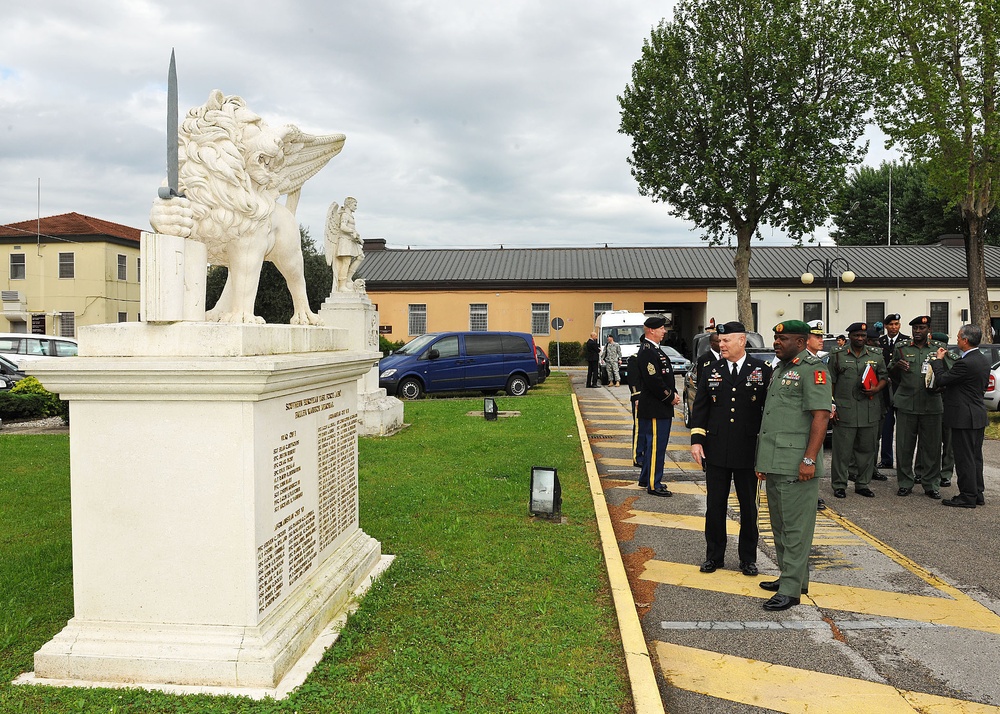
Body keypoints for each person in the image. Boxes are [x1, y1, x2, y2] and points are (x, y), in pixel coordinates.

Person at [755, 320, 832, 611]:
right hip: (775, 460)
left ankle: (791, 591)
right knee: (780, 525)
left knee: (796, 528)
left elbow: (821, 416)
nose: (776, 342)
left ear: (800, 342)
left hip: (796, 462)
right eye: (776, 337)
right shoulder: (781, 369)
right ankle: (792, 577)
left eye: (782, 338)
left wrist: (810, 459)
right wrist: (762, 461)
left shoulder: (813, 370)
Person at [690, 321, 772, 576]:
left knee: (749, 507)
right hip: (716, 450)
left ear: (741, 341)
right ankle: (714, 556)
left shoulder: (761, 369)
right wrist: (696, 440)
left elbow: (768, 410)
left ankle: (748, 558)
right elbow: (701, 407)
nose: (720, 345)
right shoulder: (710, 369)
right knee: (715, 506)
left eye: (726, 341)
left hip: (748, 451)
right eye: (720, 340)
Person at [932, 325, 990, 508]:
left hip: (964, 416)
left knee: (964, 458)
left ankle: (967, 496)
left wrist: (938, 361)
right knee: (975, 457)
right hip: (976, 414)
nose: (956, 340)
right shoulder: (982, 359)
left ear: (965, 340)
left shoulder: (966, 362)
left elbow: (942, 379)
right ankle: (977, 492)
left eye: (958, 337)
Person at [828, 323, 888, 499]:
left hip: (869, 410)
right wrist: (832, 405)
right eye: (856, 335)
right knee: (842, 452)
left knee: (867, 450)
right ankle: (839, 484)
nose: (860, 338)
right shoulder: (838, 355)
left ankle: (863, 484)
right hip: (845, 411)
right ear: (850, 337)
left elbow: (884, 377)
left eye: (863, 335)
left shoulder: (876, 355)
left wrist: (876, 389)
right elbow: (830, 381)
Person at [890, 316, 947, 498]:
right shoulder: (901, 348)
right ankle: (905, 482)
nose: (917, 331)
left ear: (928, 329)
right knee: (904, 447)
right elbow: (890, 370)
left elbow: (948, 374)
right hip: (907, 404)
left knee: (931, 448)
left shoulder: (939, 349)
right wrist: (897, 366)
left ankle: (931, 484)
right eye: (915, 328)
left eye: (921, 328)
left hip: (931, 404)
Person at [636, 316, 680, 497]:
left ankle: (646, 477)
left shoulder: (655, 350)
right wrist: (670, 397)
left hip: (657, 406)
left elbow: (665, 376)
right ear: (651, 330)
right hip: (656, 407)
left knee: (652, 444)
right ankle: (654, 484)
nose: (664, 331)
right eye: (662, 328)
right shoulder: (648, 351)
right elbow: (654, 381)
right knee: (656, 446)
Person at [878, 313, 908, 468]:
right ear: (886, 326)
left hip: (902, 390)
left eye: (896, 324)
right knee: (886, 426)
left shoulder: (907, 341)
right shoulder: (880, 342)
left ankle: (903, 463)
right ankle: (886, 460)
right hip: (884, 391)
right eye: (891, 324)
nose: (894, 327)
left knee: (904, 429)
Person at [324, 197, 365, 293]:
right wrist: (353, 231)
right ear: (349, 204)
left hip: (351, 240)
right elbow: (342, 227)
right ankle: (342, 285)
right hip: (344, 240)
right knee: (346, 261)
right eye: (355, 205)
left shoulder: (350, 215)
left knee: (360, 256)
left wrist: (358, 238)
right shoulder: (345, 215)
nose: (356, 207)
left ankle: (348, 279)